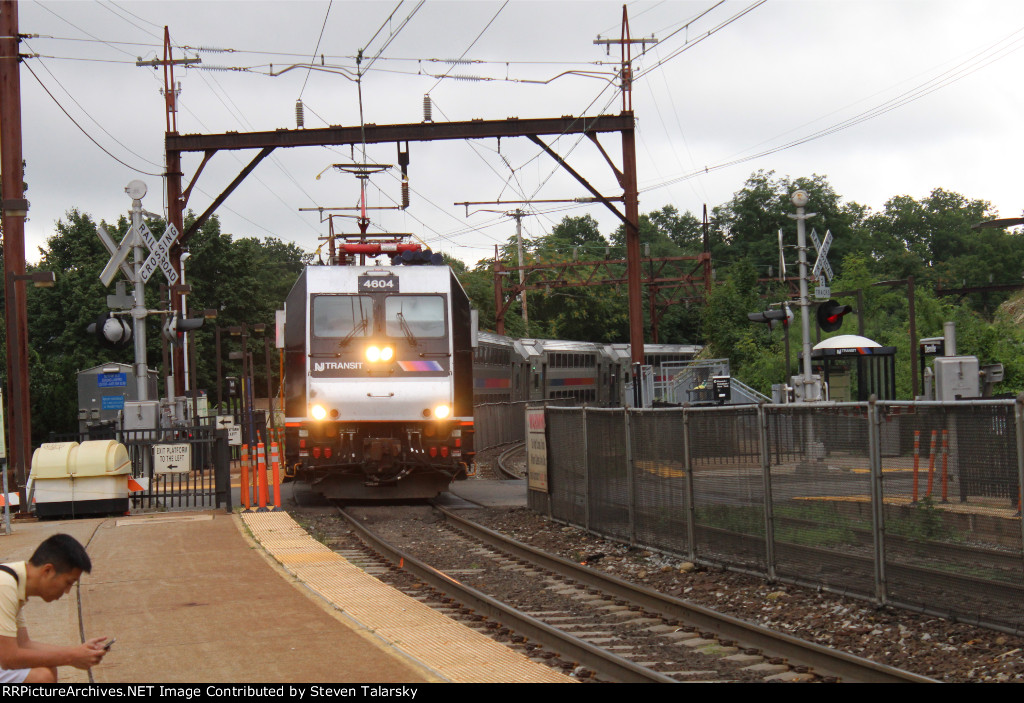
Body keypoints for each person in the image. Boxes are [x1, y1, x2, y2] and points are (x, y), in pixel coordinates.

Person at [0, 533, 109, 683]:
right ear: (47, 571)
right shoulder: (4, 586)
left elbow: (24, 644)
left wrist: (78, 651)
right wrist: (73, 657)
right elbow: (9, 658)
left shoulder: (14, 581)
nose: (67, 591)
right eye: (68, 582)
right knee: (41, 677)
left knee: (47, 666)